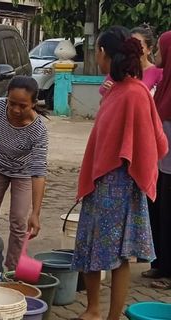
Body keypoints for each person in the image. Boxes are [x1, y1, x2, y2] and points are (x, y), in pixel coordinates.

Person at [72, 26, 168, 320]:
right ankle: (92, 309)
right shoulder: (116, 89)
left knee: (117, 256)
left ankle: (112, 315)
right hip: (100, 182)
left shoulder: (136, 93)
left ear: (103, 53)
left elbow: (153, 143)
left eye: (97, 51)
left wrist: (125, 172)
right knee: (89, 248)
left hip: (121, 183)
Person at [0, 75, 48, 271]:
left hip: (22, 173)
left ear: (33, 104)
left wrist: (36, 213)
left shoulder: (38, 130)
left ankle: (13, 269)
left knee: (18, 221)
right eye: (11, 103)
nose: (15, 110)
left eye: (22, 106)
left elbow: (38, 172)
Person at [149, 30, 171, 290]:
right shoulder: (163, 88)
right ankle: (160, 264)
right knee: (159, 213)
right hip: (160, 168)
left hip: (168, 169)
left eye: (160, 49)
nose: (156, 54)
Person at [99, 25, 163, 96]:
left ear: (149, 50)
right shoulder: (120, 70)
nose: (134, 50)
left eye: (139, 46)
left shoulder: (159, 73)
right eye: (130, 45)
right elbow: (103, 92)